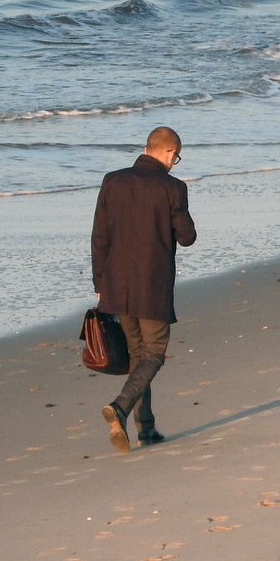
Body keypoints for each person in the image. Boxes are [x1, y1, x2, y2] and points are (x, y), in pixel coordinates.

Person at [91, 126, 197, 452]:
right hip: (151, 285)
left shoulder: (113, 180)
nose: (174, 162)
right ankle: (120, 407)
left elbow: (99, 236)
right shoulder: (173, 187)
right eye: (175, 157)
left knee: (138, 355)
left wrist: (99, 284)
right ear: (169, 154)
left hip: (116, 286)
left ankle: (146, 429)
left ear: (145, 148)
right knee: (153, 353)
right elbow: (187, 236)